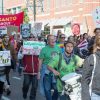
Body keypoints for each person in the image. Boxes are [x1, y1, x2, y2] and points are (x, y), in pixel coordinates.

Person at [38, 35, 61, 100]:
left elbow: (61, 60)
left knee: (57, 88)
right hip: (46, 70)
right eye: (50, 39)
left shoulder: (58, 48)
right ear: (48, 41)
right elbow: (40, 61)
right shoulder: (44, 49)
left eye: (53, 39)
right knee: (46, 89)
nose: (53, 40)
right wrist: (39, 72)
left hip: (56, 69)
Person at [81, 35, 100, 100]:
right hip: (95, 95)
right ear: (98, 46)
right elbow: (85, 80)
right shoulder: (91, 59)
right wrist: (86, 98)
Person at [22, 36, 39, 100]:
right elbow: (20, 57)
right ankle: (24, 92)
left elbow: (42, 58)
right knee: (26, 84)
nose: (32, 38)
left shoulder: (39, 47)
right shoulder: (24, 47)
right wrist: (21, 51)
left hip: (36, 70)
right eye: (30, 37)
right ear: (28, 39)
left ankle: (32, 98)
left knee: (34, 87)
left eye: (33, 37)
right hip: (27, 70)